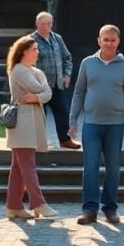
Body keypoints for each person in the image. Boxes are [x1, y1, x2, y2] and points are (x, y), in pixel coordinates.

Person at [68, 24, 124, 225]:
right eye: (105, 39)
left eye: (112, 40)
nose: (108, 43)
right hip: (91, 125)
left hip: (115, 126)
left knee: (113, 169)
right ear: (98, 40)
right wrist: (73, 120)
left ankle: (110, 209)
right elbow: (79, 92)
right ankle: (90, 209)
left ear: (118, 42)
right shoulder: (87, 64)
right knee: (90, 167)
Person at [5, 35, 58, 220]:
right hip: (22, 123)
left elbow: (48, 92)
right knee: (28, 165)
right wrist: (41, 94)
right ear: (24, 51)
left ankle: (14, 206)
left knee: (19, 167)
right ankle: (38, 203)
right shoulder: (19, 70)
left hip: (32, 121)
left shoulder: (36, 72)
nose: (38, 52)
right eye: (34, 49)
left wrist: (38, 97)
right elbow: (41, 89)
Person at [32, 11, 80, 149]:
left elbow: (67, 58)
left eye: (49, 23)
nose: (47, 26)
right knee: (40, 116)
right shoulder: (30, 40)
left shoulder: (57, 39)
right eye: (43, 24)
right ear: (37, 24)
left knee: (63, 112)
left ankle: (65, 140)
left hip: (57, 84)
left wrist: (67, 75)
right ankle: (38, 142)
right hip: (39, 86)